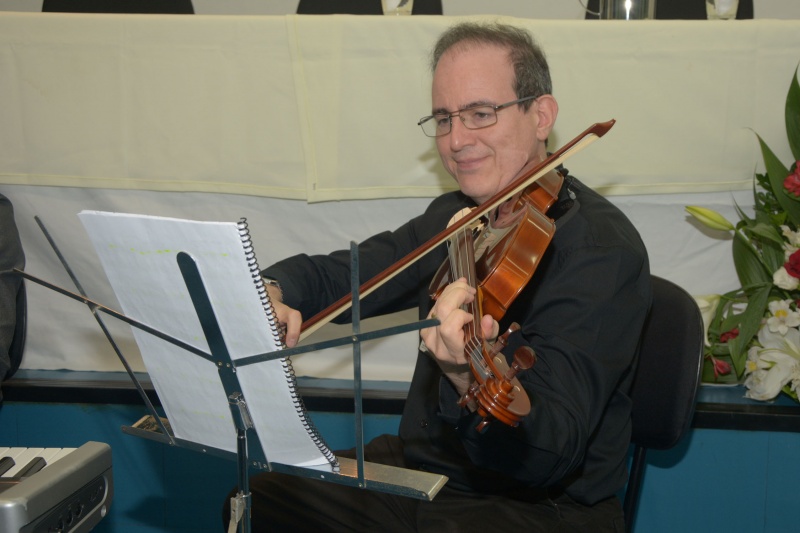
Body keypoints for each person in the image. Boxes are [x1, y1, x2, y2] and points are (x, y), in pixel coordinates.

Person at [225, 21, 651, 532]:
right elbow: (346, 274)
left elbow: (547, 454)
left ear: (541, 115)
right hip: (429, 472)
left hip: (537, 506)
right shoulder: (459, 217)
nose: (456, 139)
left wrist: (466, 375)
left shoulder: (599, 253)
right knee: (257, 498)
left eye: (480, 114)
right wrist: (273, 290)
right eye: (444, 119)